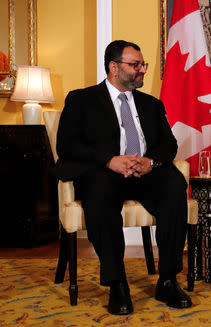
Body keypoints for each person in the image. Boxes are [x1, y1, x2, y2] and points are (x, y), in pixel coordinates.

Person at [55, 40, 192, 315]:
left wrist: (150, 162)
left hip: (144, 173)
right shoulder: (82, 99)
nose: (142, 70)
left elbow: (169, 145)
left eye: (143, 65)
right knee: (100, 190)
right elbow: (67, 145)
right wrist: (109, 160)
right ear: (113, 67)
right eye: (135, 65)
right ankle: (117, 283)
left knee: (175, 184)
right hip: (103, 173)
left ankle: (167, 279)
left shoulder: (152, 104)